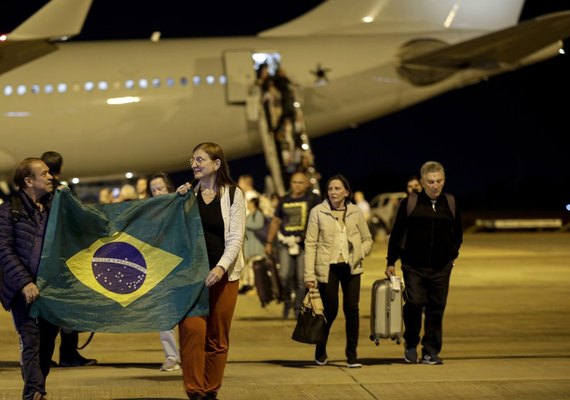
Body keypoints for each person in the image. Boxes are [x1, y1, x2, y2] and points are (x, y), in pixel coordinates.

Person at [176, 142, 245, 400]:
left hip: (224, 274)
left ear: (216, 164)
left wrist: (221, 267)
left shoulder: (233, 194)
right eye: (193, 160)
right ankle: (194, 390)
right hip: (193, 277)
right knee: (192, 330)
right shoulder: (189, 195)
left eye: (200, 160)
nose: (194, 164)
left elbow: (236, 237)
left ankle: (210, 389)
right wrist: (178, 201)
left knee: (217, 335)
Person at [385, 161, 463, 365]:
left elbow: (458, 235)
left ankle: (430, 350)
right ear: (422, 182)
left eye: (438, 181)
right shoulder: (410, 203)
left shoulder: (451, 203)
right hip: (413, 266)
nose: (435, 186)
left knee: (437, 308)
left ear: (444, 181)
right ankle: (411, 344)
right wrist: (391, 260)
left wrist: (451, 256)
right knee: (415, 303)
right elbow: (397, 233)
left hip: (441, 267)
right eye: (430, 182)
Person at [0, 158, 59, 400]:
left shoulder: (55, 207)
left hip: (49, 290)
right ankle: (34, 392)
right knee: (31, 340)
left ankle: (36, 386)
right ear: (28, 181)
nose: (50, 177)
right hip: (20, 289)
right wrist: (24, 282)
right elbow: (3, 249)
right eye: (44, 174)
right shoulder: (7, 211)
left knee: (46, 344)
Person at [304, 175, 373, 368]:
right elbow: (310, 244)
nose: (333, 192)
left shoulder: (355, 212)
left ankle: (352, 355)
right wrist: (309, 275)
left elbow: (368, 238)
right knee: (331, 310)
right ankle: (320, 349)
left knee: (352, 310)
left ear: (346, 192)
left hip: (352, 268)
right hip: (328, 268)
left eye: (337, 188)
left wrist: (360, 253)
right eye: (330, 189)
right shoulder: (318, 212)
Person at [40, 151, 97, 368]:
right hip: (65, 258)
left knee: (47, 312)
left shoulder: (37, 193)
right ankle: (68, 354)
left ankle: (43, 357)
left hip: (44, 259)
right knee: (68, 308)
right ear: (60, 169)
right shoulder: (63, 191)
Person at [264, 171, 321, 319]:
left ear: (307, 184)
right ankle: (287, 301)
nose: (297, 185)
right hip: (285, 243)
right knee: (284, 276)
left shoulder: (314, 199)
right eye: (294, 182)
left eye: (301, 182)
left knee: (303, 279)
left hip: (304, 245)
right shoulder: (284, 200)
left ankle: (297, 307)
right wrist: (269, 242)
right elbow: (276, 221)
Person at [147, 172, 182, 372]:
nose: (157, 193)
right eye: (153, 191)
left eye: (160, 188)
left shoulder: (181, 205)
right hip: (160, 268)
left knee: (187, 314)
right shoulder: (150, 213)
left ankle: (190, 354)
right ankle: (171, 356)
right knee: (164, 315)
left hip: (182, 267)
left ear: (169, 188)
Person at [240, 197, 266, 294]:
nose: (248, 205)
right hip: (249, 244)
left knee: (253, 266)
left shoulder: (258, 214)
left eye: (250, 203)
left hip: (256, 244)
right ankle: (249, 285)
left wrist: (245, 224)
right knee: (249, 266)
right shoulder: (251, 214)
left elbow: (259, 225)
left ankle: (254, 287)